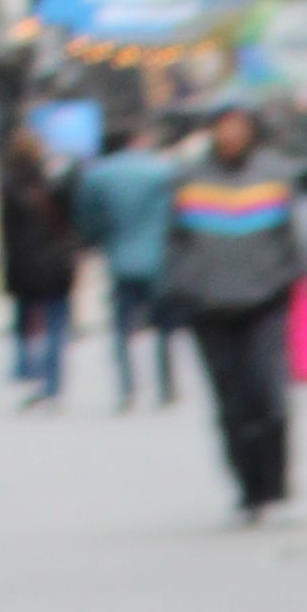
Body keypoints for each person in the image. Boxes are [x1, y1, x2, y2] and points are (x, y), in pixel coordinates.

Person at [162, 104, 302, 513]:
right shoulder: (189, 179)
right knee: (231, 403)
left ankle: (275, 482)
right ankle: (248, 487)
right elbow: (174, 239)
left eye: (238, 127)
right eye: (224, 127)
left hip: (264, 301)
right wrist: (184, 286)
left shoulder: (275, 174)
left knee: (269, 396)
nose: (231, 135)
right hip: (208, 307)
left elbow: (293, 236)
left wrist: (289, 279)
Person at [77, 121, 181, 405]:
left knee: (122, 327)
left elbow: (88, 219)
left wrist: (96, 243)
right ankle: (166, 385)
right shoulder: (163, 171)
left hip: (119, 259)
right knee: (162, 327)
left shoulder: (98, 176)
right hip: (159, 258)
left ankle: (127, 387)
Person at [0, 136, 78, 401]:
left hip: (24, 264)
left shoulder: (9, 187)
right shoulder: (53, 183)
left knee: (24, 321)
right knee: (55, 323)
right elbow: (69, 222)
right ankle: (52, 382)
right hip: (55, 263)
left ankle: (28, 370)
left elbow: (8, 234)